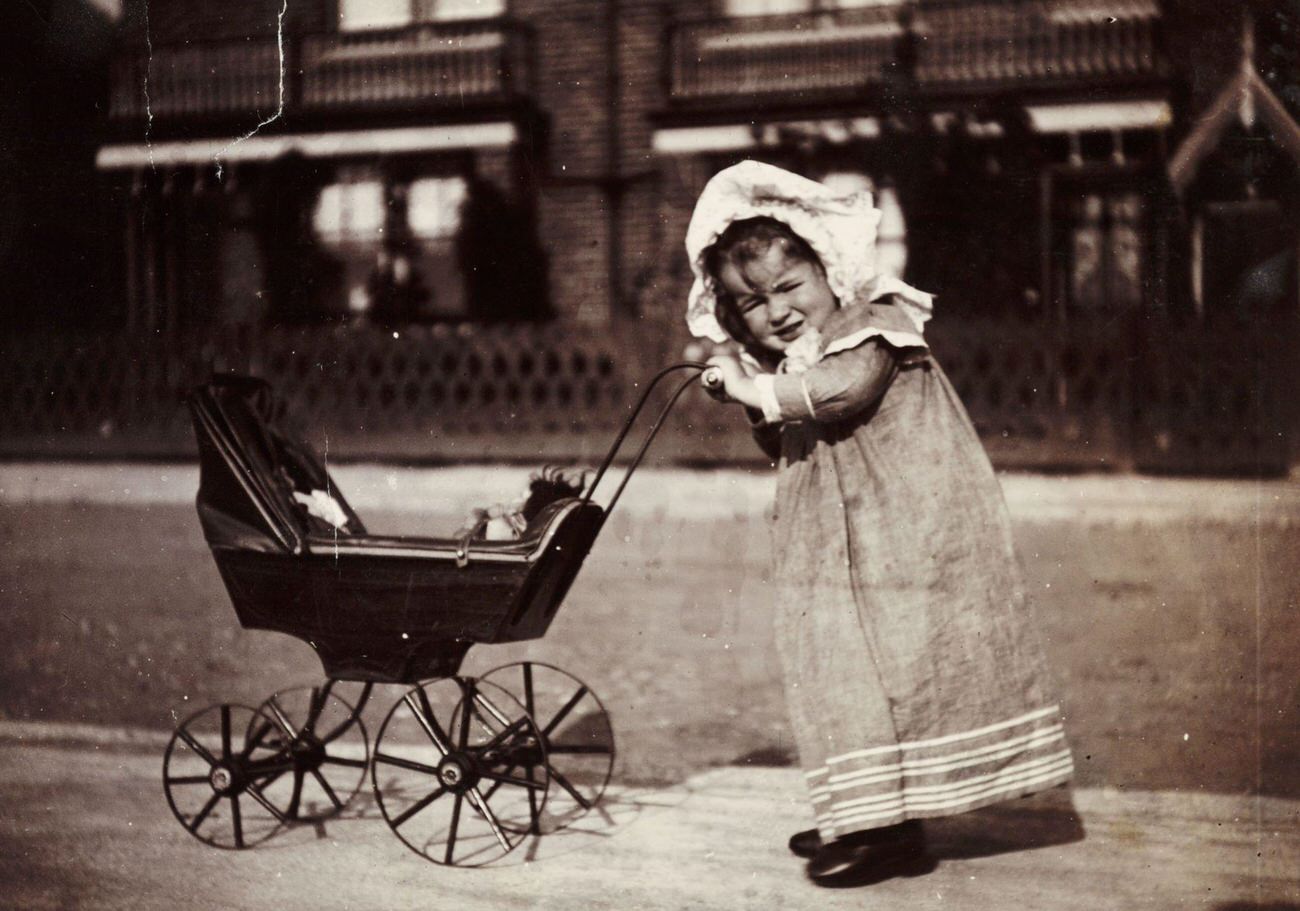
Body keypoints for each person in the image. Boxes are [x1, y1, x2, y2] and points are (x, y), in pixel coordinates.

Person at [687, 161, 1073, 887]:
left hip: (904, 532)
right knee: (839, 669)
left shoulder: (874, 324)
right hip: (833, 544)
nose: (774, 312)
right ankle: (864, 809)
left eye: (787, 286)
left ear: (830, 270)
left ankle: (893, 832)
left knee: (895, 669)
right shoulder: (793, 360)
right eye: (749, 303)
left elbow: (843, 392)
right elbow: (784, 438)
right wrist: (747, 397)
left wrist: (757, 387)